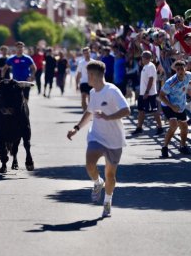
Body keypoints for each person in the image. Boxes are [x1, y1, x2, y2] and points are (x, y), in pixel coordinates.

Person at [67, 60, 130, 218]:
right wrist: (76, 128)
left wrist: (109, 117)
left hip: (114, 139)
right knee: (90, 164)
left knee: (110, 175)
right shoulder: (93, 92)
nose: (86, 77)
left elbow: (127, 110)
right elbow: (89, 112)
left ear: (94, 75)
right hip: (97, 135)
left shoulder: (112, 90)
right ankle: (97, 183)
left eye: (88, 74)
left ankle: (107, 201)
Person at [159, 60, 191, 158]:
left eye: (182, 68)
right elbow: (161, 96)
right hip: (168, 105)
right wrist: (172, 106)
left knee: (184, 127)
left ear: (185, 68)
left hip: (180, 105)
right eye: (178, 69)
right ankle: (164, 147)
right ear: (175, 71)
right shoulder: (171, 82)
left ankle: (183, 146)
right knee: (174, 126)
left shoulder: (188, 75)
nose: (181, 71)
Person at [132, 51, 164, 135]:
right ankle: (139, 127)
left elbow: (151, 79)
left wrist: (147, 92)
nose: (141, 58)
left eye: (142, 57)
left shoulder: (150, 66)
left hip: (150, 93)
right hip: (143, 93)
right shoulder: (145, 66)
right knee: (141, 111)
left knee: (154, 111)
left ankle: (160, 127)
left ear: (146, 58)